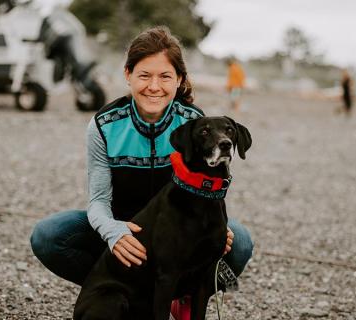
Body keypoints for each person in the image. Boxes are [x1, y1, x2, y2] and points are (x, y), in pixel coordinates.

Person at [30, 26, 253, 319]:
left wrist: (212, 228)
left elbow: (208, 185)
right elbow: (97, 199)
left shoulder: (196, 125)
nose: (154, 86)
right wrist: (113, 233)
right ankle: (118, 293)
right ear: (128, 75)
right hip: (122, 224)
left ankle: (179, 294)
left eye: (165, 77)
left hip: (177, 227)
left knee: (238, 240)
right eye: (144, 75)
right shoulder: (105, 125)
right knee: (49, 235)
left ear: (180, 80)